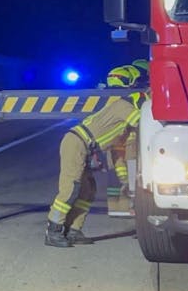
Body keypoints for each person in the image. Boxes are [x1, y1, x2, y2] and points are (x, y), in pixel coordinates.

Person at [46, 64, 147, 247]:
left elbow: (118, 155)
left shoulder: (122, 126)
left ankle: (73, 230)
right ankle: (53, 230)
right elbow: (143, 123)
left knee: (87, 190)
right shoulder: (123, 107)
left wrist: (125, 181)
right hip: (77, 143)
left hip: (85, 147)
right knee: (71, 188)